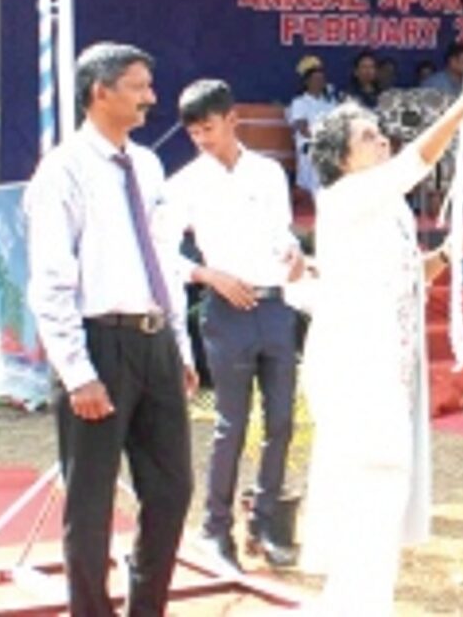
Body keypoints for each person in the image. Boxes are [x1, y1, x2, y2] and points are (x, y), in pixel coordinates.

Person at [300, 74, 463, 615]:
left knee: (386, 487)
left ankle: (361, 601)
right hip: (353, 361)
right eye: (367, 137)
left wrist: (446, 256)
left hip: (389, 360)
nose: (381, 141)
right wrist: (459, 110)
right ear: (341, 158)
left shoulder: (390, 209)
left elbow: (409, 278)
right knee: (369, 481)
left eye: (379, 134)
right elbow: (416, 159)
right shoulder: (345, 197)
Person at [25, 42, 195, 617]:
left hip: (155, 342)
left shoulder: (145, 165)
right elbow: (50, 280)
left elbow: (165, 261)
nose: (151, 97)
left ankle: (147, 607)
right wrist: (77, 373)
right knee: (92, 504)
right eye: (138, 85)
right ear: (100, 91)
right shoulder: (63, 170)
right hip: (97, 343)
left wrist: (179, 345)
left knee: (171, 490)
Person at [166, 79, 304, 573]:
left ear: (232, 120)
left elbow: (282, 231)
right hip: (225, 308)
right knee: (232, 424)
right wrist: (208, 274)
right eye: (194, 132)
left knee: (282, 420)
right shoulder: (184, 182)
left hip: (274, 303)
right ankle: (214, 527)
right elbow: (163, 251)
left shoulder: (267, 173)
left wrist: (293, 251)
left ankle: (265, 521)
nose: (202, 139)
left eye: (209, 128)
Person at [286, 56, 336, 193]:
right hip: (310, 149)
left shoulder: (330, 104)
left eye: (321, 79)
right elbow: (303, 129)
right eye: (315, 79)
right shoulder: (299, 102)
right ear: (307, 82)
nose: (319, 83)